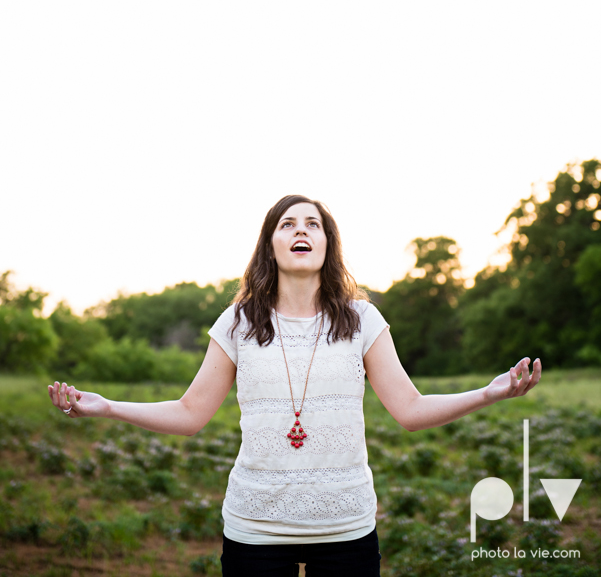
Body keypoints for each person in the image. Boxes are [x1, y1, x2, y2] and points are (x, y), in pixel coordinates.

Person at [48, 194, 542, 576]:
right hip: (254, 529)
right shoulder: (238, 322)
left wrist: (489, 392)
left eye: (313, 225)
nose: (301, 231)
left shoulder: (361, 320)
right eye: (288, 224)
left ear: (328, 245)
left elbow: (409, 410)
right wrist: (109, 406)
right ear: (271, 245)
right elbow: (190, 413)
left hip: (346, 529)